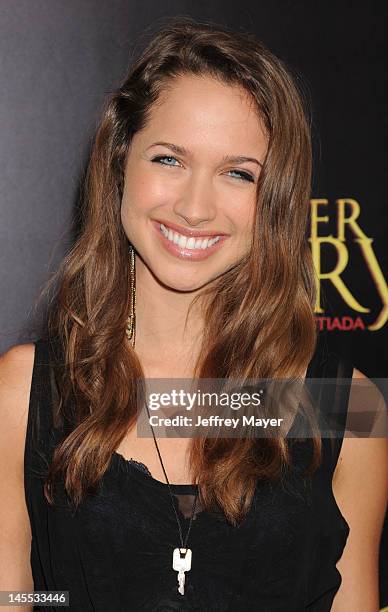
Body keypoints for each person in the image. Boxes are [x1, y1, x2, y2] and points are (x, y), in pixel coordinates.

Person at [0, 16, 387, 612]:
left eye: (238, 173)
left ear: (274, 200)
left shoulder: (345, 407)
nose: (195, 206)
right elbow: (19, 595)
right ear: (119, 161)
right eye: (169, 160)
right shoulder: (26, 391)